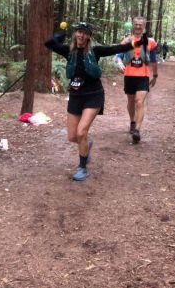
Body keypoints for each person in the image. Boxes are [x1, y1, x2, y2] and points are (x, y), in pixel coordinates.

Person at [45, 22, 147, 181]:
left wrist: (138, 42)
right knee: (72, 137)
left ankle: (82, 167)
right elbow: (48, 44)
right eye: (79, 32)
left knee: (81, 132)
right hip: (76, 96)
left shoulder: (95, 51)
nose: (81, 35)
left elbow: (116, 48)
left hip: (94, 95)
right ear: (75, 33)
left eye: (85, 33)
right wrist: (59, 35)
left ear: (88, 37)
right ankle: (85, 145)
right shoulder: (69, 50)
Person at [116, 16, 158, 144]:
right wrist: (118, 62)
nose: (138, 26)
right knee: (131, 101)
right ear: (133, 25)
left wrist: (155, 75)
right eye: (136, 24)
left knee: (139, 102)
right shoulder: (127, 40)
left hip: (143, 76)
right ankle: (132, 122)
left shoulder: (150, 41)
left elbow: (154, 60)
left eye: (140, 24)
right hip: (129, 75)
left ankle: (137, 131)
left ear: (144, 26)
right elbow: (119, 55)